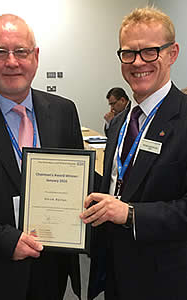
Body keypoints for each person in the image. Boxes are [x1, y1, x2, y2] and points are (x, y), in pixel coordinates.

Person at [0, 14, 83, 300]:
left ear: (36, 56)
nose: (12, 62)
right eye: (0, 52)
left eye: (21, 51)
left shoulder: (64, 111)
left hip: (52, 266)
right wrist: (6, 240)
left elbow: (79, 181)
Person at [80, 6, 187, 300]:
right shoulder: (119, 122)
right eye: (128, 53)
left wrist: (130, 214)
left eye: (150, 51)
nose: (138, 62)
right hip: (114, 271)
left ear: (172, 53)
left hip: (164, 280)